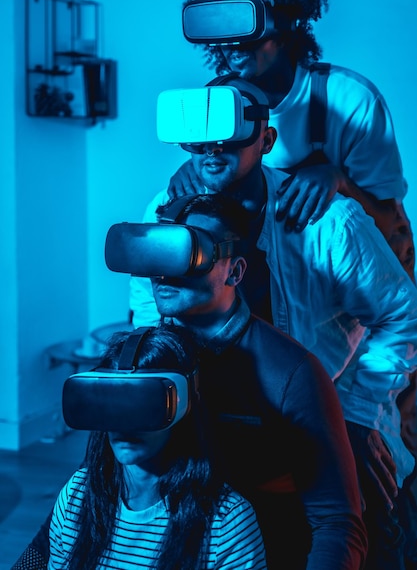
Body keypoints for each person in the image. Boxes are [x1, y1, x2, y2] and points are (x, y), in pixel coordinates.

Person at [130, 76, 417, 569]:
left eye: (229, 132)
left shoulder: (330, 221)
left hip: (319, 412)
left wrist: (357, 412)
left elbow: (403, 315)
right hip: (214, 425)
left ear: (266, 139)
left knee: (362, 532)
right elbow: (149, 323)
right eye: (201, 136)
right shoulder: (163, 213)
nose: (212, 148)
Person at [13, 196, 367, 570]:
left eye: (187, 252)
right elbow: (90, 495)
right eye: (159, 251)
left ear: (234, 271)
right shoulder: (144, 359)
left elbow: (337, 523)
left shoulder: (292, 375)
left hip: (247, 550)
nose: (163, 271)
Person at [170, 0, 415, 281]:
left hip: (356, 282)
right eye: (224, 34)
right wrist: (201, 171)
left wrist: (338, 181)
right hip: (275, 279)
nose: (234, 45)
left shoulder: (350, 100)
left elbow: (389, 226)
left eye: (247, 31)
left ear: (285, 27)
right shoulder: (215, 104)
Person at [47, 324, 269, 570]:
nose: (125, 425)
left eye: (142, 404)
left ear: (182, 405)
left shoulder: (227, 523)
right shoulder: (76, 496)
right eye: (114, 404)